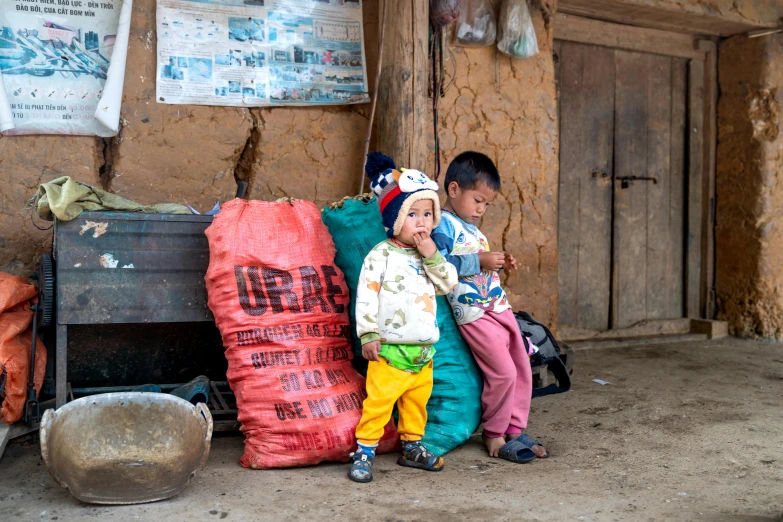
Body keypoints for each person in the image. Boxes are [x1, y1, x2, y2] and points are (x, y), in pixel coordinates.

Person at [431, 151, 550, 463]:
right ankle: (494, 432)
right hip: (474, 313)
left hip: (498, 307)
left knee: (521, 366)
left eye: (487, 204)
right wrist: (481, 261)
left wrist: (499, 263)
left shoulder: (473, 230)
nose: (481, 210)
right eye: (478, 200)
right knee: (503, 372)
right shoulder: (442, 225)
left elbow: (480, 265)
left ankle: (515, 429)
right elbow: (439, 265)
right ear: (454, 190)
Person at [349, 153, 458, 483]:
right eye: (412, 214)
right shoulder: (381, 255)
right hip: (389, 351)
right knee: (379, 403)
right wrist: (368, 334)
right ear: (395, 219)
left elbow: (448, 283)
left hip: (423, 352)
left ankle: (412, 446)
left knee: (416, 403)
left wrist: (432, 256)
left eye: (428, 213)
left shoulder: (429, 255)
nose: (422, 221)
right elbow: (366, 295)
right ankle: (365, 450)